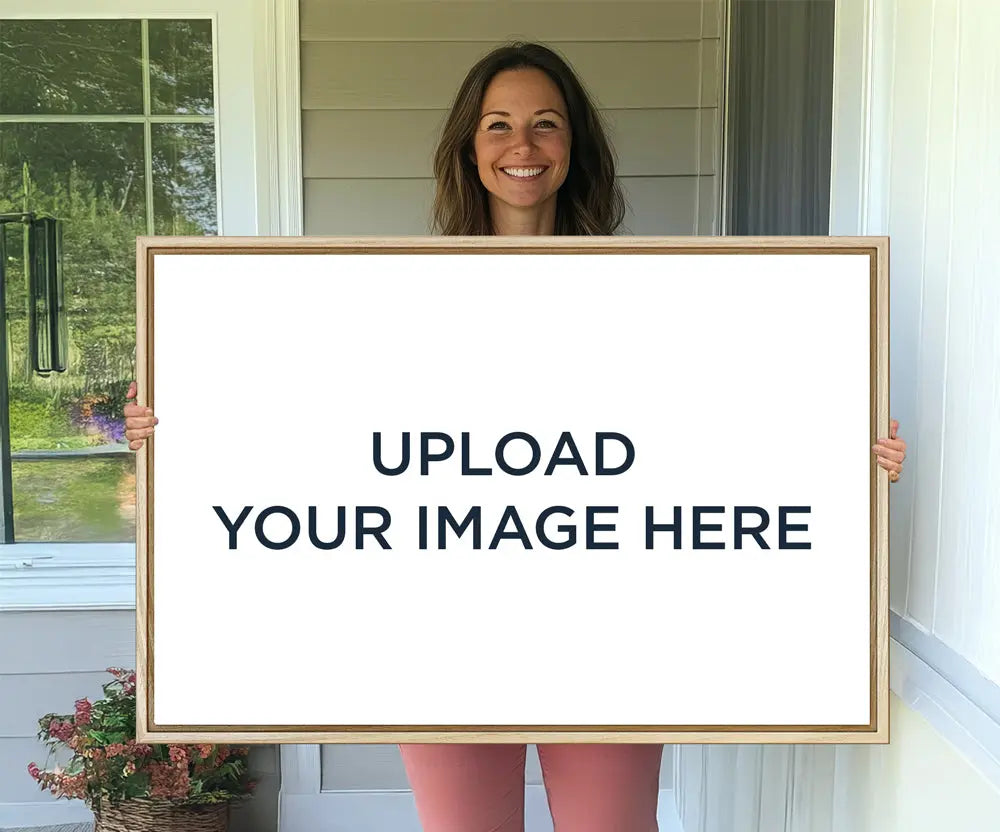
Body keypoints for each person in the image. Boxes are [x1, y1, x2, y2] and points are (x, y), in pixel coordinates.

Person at [124, 41, 907, 832]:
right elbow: (321, 434)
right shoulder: (393, 302)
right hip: (442, 635)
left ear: (574, 147)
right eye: (498, 125)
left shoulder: (658, 300)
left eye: (545, 124)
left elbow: (716, 434)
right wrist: (185, 434)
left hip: (609, 635)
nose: (522, 146)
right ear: (470, 147)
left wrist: (837, 456)